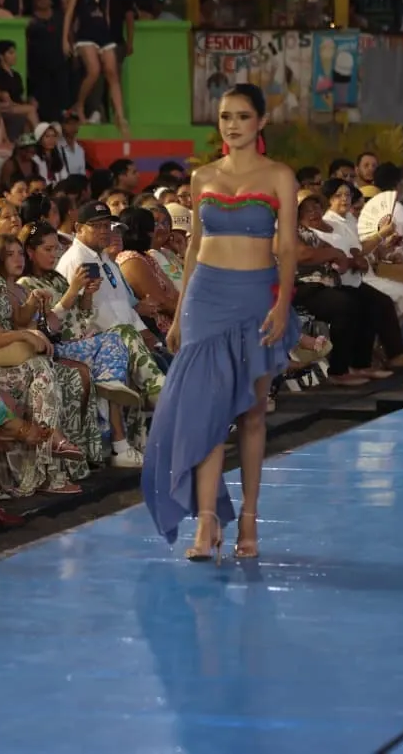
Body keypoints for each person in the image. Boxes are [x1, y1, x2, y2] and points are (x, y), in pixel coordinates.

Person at [142, 83, 300, 563]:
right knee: (205, 413)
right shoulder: (203, 176)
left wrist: (282, 305)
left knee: (252, 413)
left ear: (261, 122)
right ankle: (206, 522)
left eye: (242, 116)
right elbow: (193, 246)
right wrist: (181, 308)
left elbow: (289, 247)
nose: (232, 125)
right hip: (205, 298)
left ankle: (248, 520)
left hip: (256, 297)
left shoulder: (280, 177)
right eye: (225, 116)